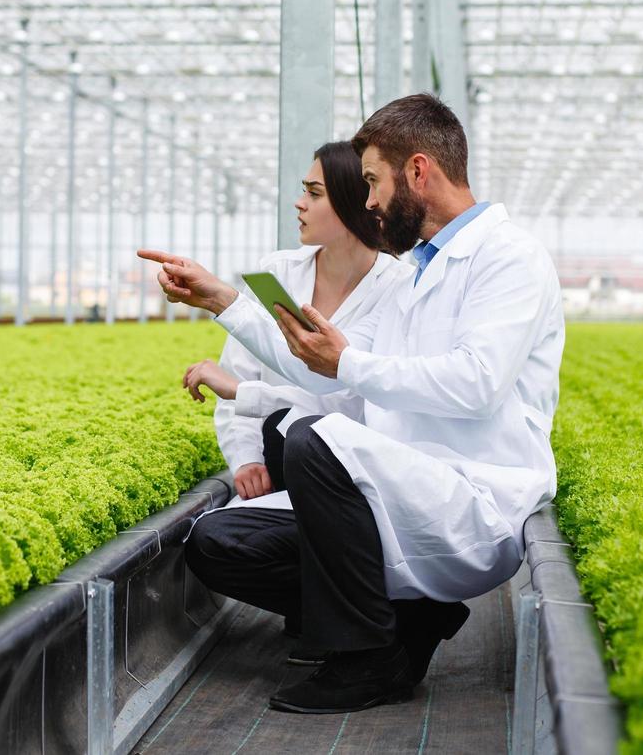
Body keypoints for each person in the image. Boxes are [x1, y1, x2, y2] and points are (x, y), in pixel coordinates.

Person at [141, 93, 564, 715]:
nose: (367, 202)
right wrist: (223, 302)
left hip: (473, 499)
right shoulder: (417, 271)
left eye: (372, 182)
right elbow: (324, 368)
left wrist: (346, 363)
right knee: (218, 541)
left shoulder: (508, 259)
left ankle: (368, 658)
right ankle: (408, 617)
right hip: (399, 493)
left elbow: (476, 384)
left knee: (314, 439)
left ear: (418, 171)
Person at [176, 142, 411, 664]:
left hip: (353, 486)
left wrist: (249, 396)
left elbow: (353, 404)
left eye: (314, 193)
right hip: (283, 469)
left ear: (353, 203)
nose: (299, 204)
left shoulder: (399, 286)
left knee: (306, 431)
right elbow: (238, 368)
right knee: (212, 547)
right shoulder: (277, 273)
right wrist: (246, 457)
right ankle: (357, 613)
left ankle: (352, 626)